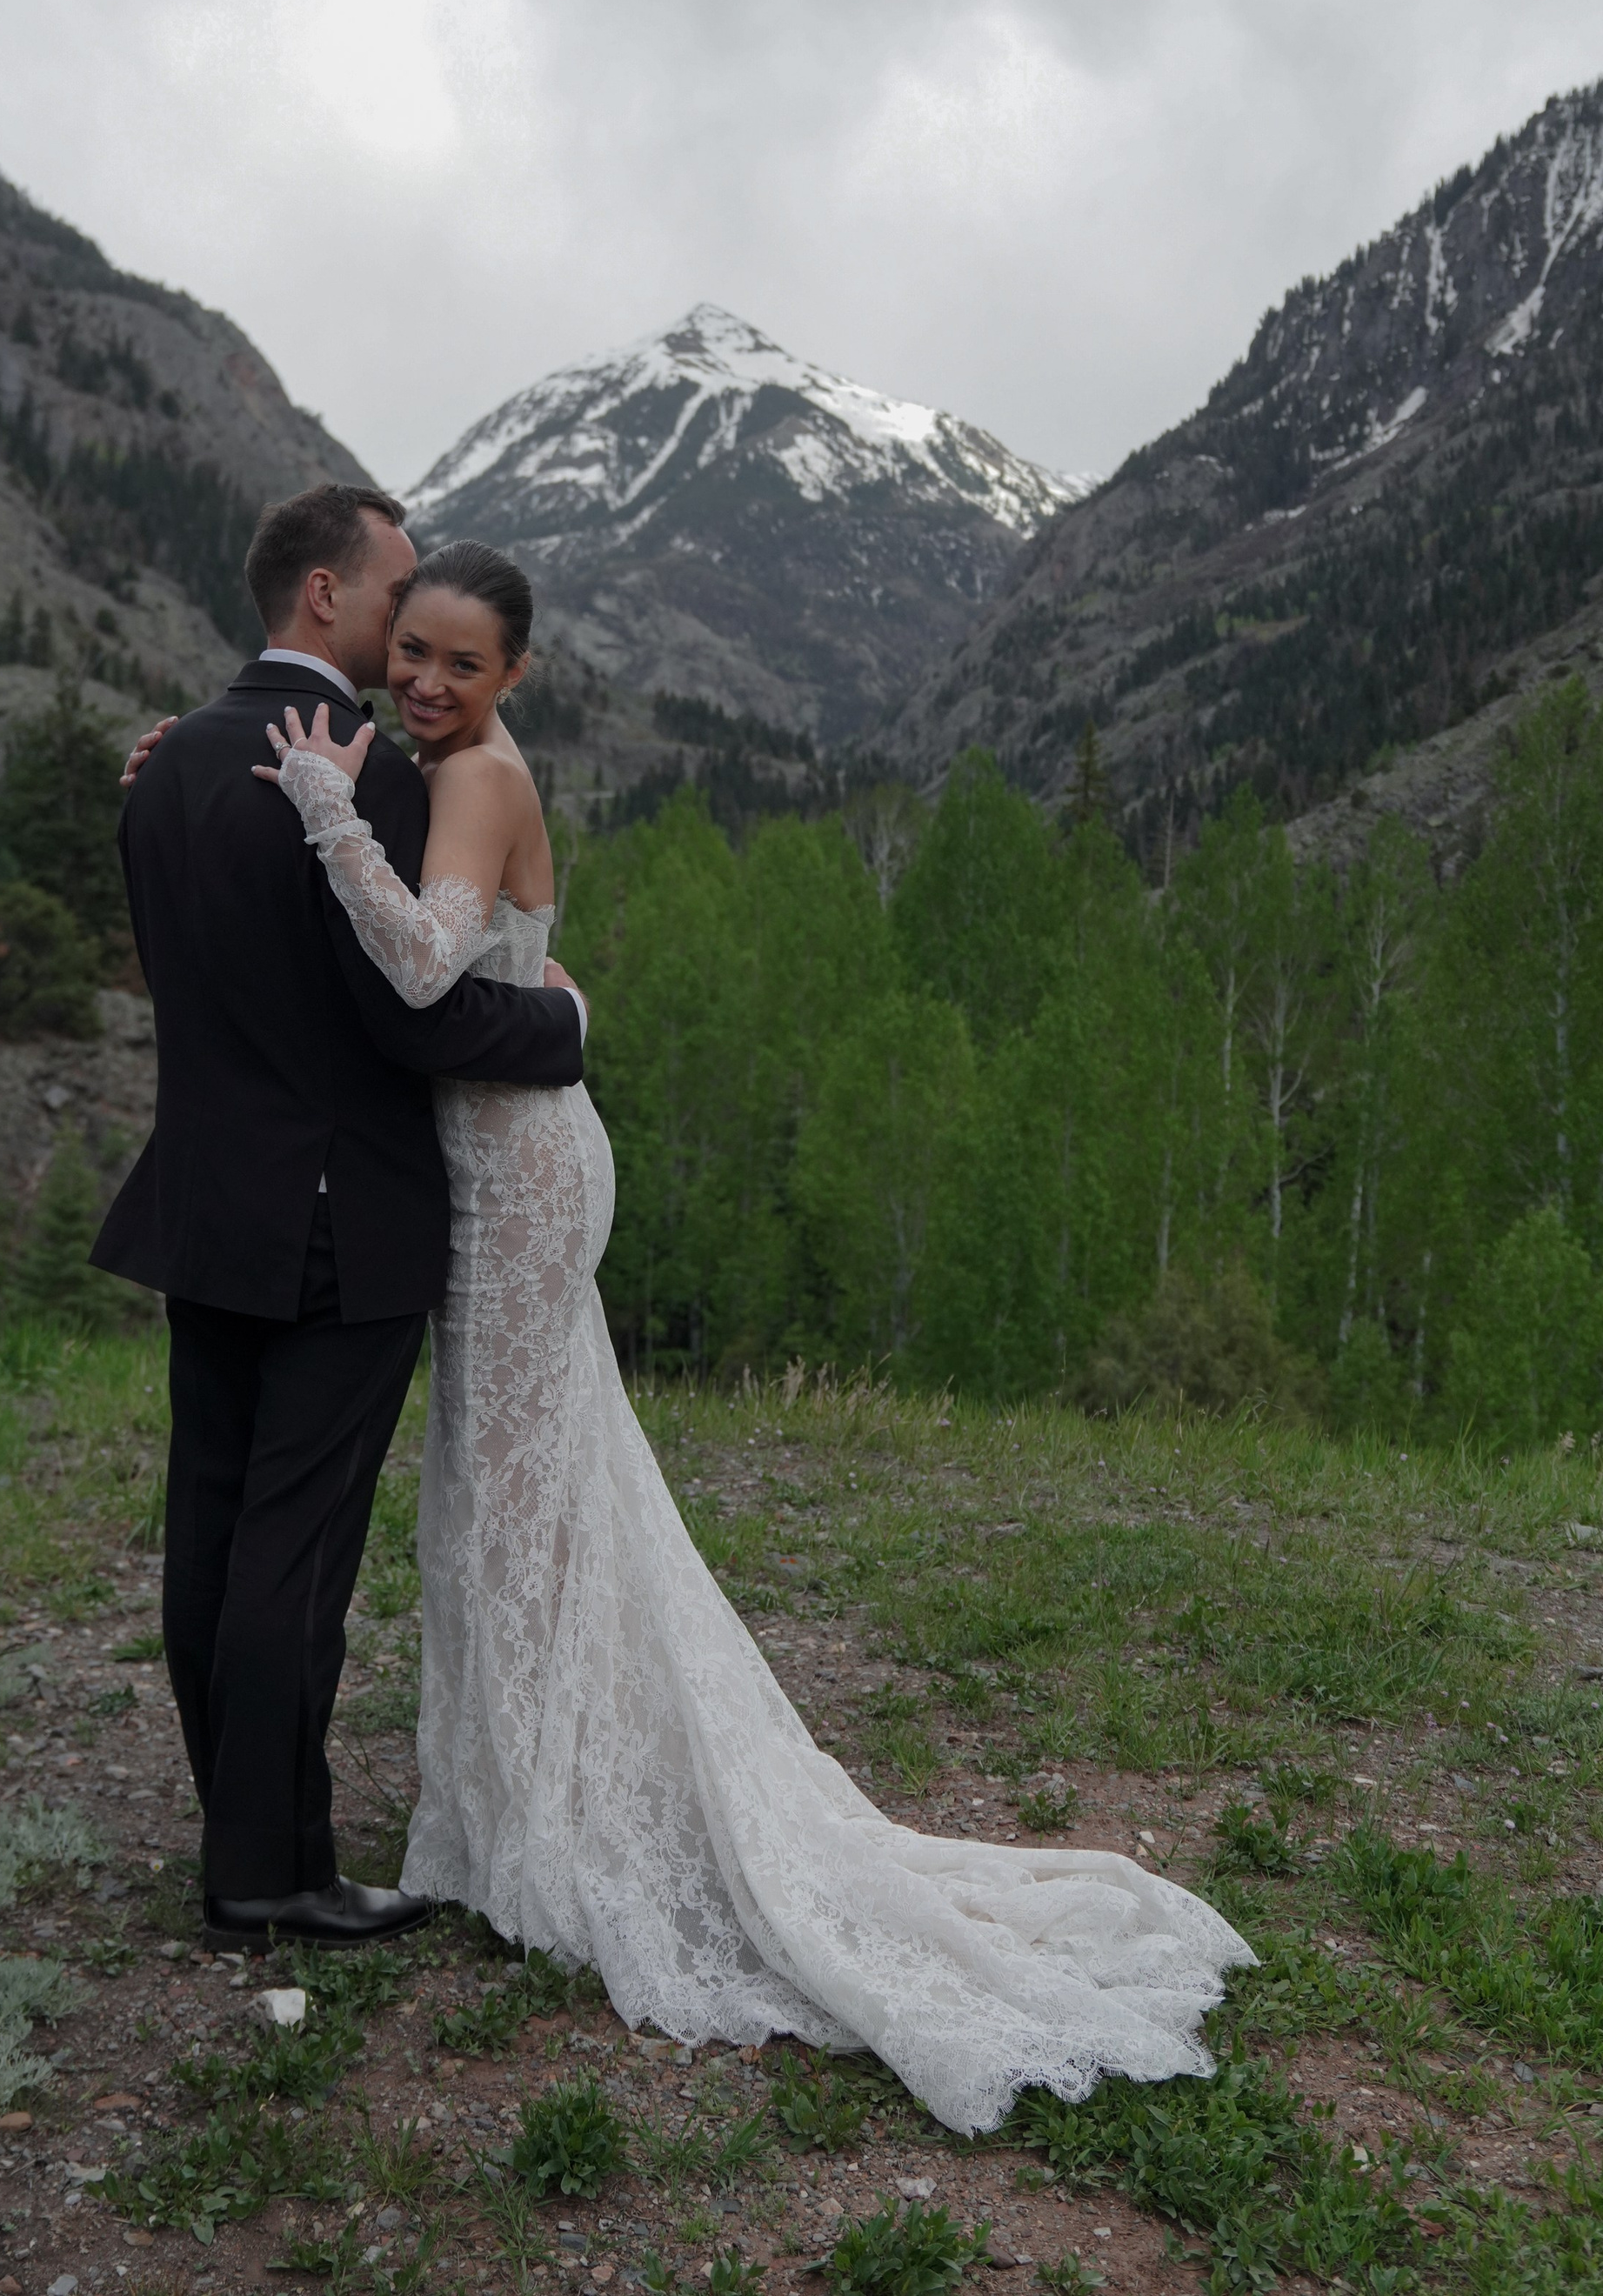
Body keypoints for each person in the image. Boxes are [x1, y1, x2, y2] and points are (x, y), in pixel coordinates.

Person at [244, 533, 1258, 2138]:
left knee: (511, 1494)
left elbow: (432, 966)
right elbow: (516, 953)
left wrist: (313, 811)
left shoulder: (475, 777)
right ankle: (528, 1803)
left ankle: (554, 1825)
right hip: (508, 1161)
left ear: (513, 674)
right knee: (526, 1489)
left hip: (512, 1184)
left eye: (461, 660)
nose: (428, 682)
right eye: (413, 651)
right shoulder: (464, 775)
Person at [92, 484, 589, 1957]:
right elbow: (410, 1014)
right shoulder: (363, 774)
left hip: (205, 1201)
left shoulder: (164, 763)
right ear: (327, 593)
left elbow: (189, 972)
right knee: (294, 1551)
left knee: (212, 1525)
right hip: (338, 1217)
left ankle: (242, 1831)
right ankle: (273, 1869)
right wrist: (562, 1029)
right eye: (398, 593)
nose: (412, 628)